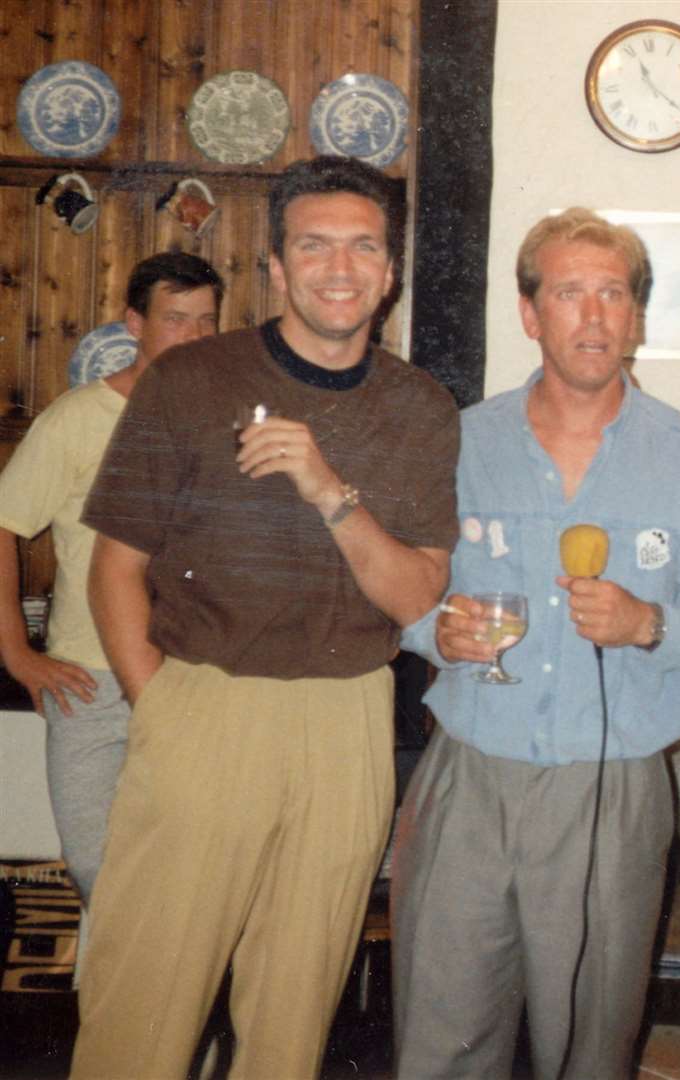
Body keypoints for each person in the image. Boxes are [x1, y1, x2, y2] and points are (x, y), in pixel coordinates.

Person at [70, 156, 460, 1079]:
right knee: (142, 1010)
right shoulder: (192, 379)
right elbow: (114, 566)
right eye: (313, 244)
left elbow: (413, 596)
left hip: (346, 720)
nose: (339, 266)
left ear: (390, 270)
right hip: (205, 705)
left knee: (291, 1023)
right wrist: (158, 703)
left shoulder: (421, 408)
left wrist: (328, 488)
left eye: (363, 245)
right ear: (277, 268)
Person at [391, 208, 680, 1080]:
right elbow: (399, 588)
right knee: (439, 1045)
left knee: (590, 1051)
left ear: (637, 317)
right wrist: (429, 630)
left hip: (615, 795)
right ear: (530, 314)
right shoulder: (458, 442)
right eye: (568, 294)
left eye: (613, 295)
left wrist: (650, 625)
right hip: (468, 777)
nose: (593, 317)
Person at [0, 252, 222, 904]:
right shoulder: (75, 420)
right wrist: (17, 653)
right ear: (135, 323)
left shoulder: (229, 423)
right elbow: (4, 522)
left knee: (188, 877)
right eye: (177, 319)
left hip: (194, 678)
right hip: (88, 683)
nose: (195, 338)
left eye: (207, 321)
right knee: (99, 869)